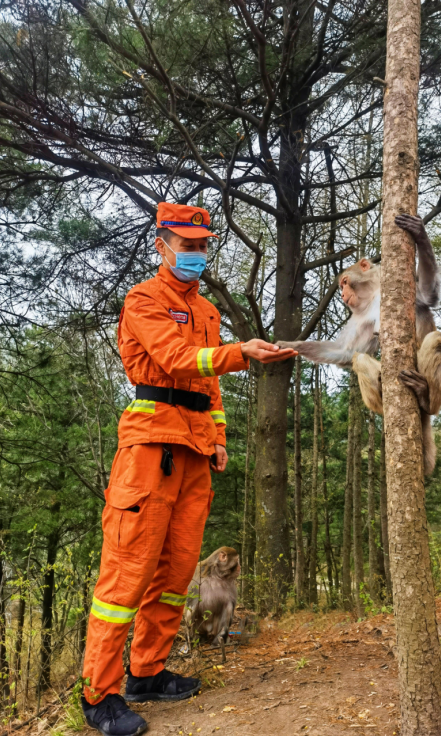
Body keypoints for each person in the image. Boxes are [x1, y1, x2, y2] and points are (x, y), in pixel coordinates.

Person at [81, 202, 297, 736]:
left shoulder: (206, 311)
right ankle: (99, 695)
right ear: (163, 245)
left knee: (176, 574)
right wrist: (240, 352)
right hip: (151, 447)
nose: (196, 254)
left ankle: (147, 673)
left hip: (196, 450)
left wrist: (219, 436)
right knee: (126, 575)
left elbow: (208, 384)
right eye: (187, 245)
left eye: (203, 246)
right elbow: (177, 359)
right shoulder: (143, 299)